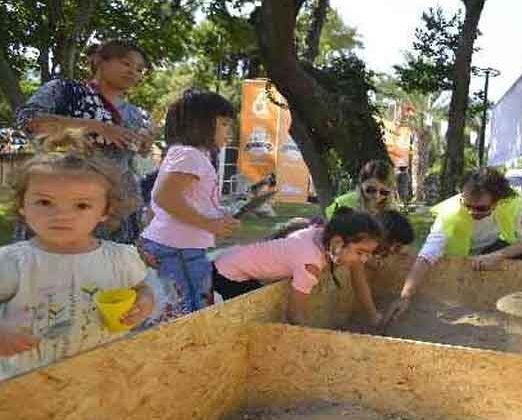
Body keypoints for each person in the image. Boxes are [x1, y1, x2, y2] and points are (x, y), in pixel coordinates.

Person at [0, 130, 154, 380]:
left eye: (81, 205)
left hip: (101, 378)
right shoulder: (12, 263)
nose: (62, 215)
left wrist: (144, 302)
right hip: (29, 384)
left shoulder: (120, 259)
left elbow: (141, 288)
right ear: (22, 205)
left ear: (105, 210)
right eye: (45, 202)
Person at [14, 39, 154, 244]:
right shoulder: (64, 91)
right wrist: (97, 126)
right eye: (126, 63)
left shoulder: (134, 114)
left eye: (140, 69)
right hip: (61, 199)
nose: (133, 71)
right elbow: (30, 121)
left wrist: (143, 146)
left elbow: (128, 159)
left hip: (114, 209)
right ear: (100, 61)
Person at [382, 167, 522, 326]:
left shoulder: (517, 204)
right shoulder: (450, 213)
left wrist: (499, 255)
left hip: (494, 248)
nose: (471, 212)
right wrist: (405, 296)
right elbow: (426, 256)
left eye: (480, 208)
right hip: (462, 256)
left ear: (497, 201)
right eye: (467, 205)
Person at [139, 90, 240, 324]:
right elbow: (164, 196)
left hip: (179, 246)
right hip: (178, 249)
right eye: (224, 124)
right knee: (190, 311)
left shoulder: (192, 155)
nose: (229, 132)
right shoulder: (190, 155)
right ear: (201, 124)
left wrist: (216, 216)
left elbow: (167, 203)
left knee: (190, 307)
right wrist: (208, 224)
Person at [212, 208, 383, 325]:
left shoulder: (318, 233)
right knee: (245, 324)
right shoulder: (310, 265)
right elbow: (294, 315)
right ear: (337, 243)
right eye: (360, 252)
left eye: (367, 254)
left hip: (231, 260)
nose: (363, 260)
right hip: (228, 274)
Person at [325, 160, 396, 218]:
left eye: (384, 192)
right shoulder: (341, 204)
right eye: (371, 190)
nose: (377, 196)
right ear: (361, 184)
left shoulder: (391, 211)